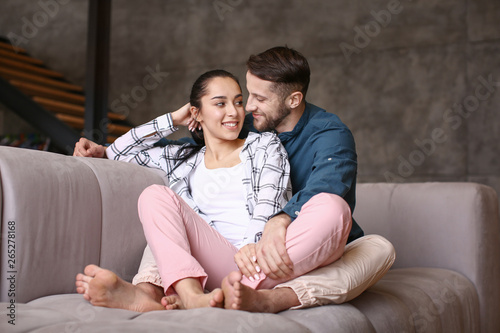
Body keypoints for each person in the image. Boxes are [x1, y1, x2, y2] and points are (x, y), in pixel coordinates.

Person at [75, 47, 395, 313]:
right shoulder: (240, 132)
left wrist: (276, 223)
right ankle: (200, 295)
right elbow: (161, 150)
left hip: (299, 246)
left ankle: (261, 297)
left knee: (370, 241)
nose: (245, 109)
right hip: (231, 255)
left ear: (293, 100)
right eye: (241, 98)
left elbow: (325, 186)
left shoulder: (317, 135)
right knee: (157, 197)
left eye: (251, 99)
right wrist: (119, 145)